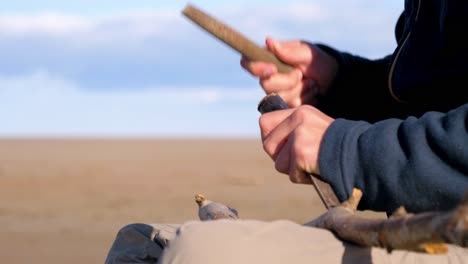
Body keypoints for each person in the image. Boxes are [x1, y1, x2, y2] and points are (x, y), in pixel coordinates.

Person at [105, 1, 468, 263]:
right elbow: (431, 96)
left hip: (453, 230)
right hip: (429, 223)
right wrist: (336, 84)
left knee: (203, 254)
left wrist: (346, 149)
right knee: (140, 246)